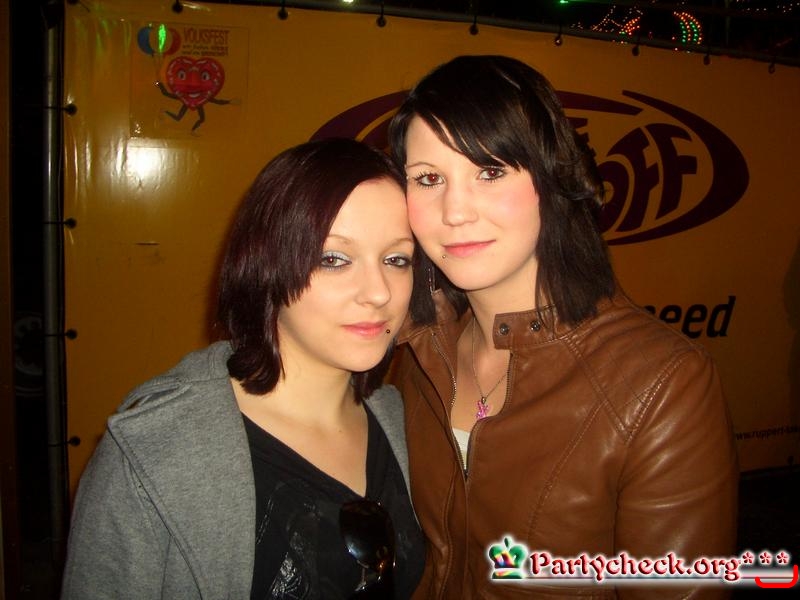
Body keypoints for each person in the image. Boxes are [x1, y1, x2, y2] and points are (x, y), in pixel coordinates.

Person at [387, 55, 738, 598]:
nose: (454, 211)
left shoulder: (664, 385)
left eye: (490, 171)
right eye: (428, 179)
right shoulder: (417, 354)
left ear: (551, 180)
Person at [60, 138, 426, 599]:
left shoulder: (401, 420)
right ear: (267, 263)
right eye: (333, 259)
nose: (378, 292)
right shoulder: (151, 453)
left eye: (396, 259)